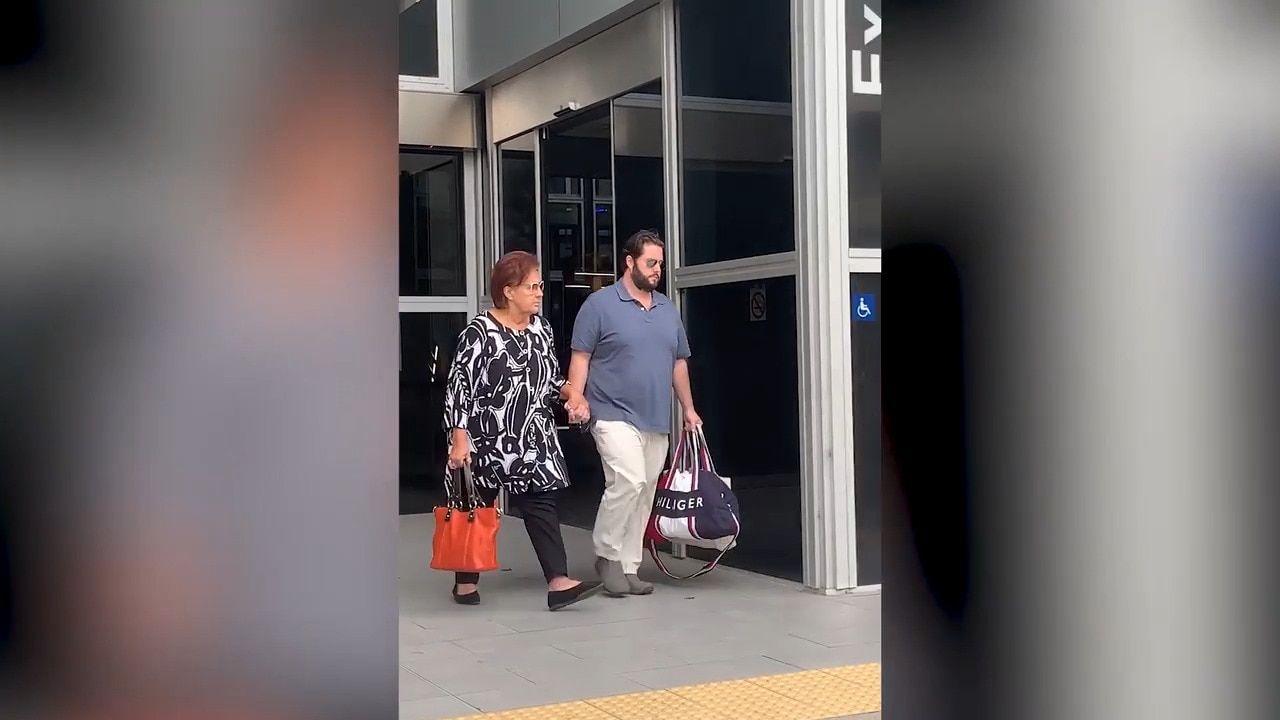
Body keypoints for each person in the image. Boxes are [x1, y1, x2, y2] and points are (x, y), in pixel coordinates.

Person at [442, 251, 603, 611]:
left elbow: (548, 379)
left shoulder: (540, 329)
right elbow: (459, 387)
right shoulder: (478, 333)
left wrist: (572, 395)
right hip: (485, 439)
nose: (540, 292)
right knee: (474, 506)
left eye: (540, 285)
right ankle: (465, 583)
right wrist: (459, 437)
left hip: (532, 438)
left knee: (541, 505)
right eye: (533, 286)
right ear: (508, 291)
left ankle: (559, 582)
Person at [568, 230, 701, 597]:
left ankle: (629, 567)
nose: (657, 270)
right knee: (628, 480)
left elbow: (678, 362)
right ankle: (606, 555)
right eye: (650, 262)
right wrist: (576, 398)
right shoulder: (599, 305)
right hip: (610, 412)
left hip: (655, 416)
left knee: (644, 492)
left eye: (660, 263)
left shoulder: (666, 309)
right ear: (629, 262)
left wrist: (688, 409)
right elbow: (581, 357)